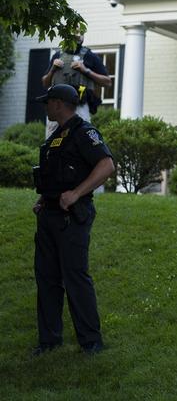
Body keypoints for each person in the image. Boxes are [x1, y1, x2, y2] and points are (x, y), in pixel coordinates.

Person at [32, 84, 115, 356]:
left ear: (59, 103)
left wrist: (77, 193)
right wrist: (46, 198)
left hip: (72, 217)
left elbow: (106, 165)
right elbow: (57, 174)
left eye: (48, 102)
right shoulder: (56, 136)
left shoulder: (84, 132)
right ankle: (49, 341)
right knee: (47, 278)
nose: (45, 107)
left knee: (75, 278)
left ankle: (90, 342)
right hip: (49, 216)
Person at [42, 30, 112, 139]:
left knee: (82, 136)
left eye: (81, 33)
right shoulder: (57, 55)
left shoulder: (90, 56)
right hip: (58, 106)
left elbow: (107, 82)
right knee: (52, 138)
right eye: (75, 32)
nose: (78, 36)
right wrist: (52, 69)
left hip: (79, 105)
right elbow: (45, 83)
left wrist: (86, 70)